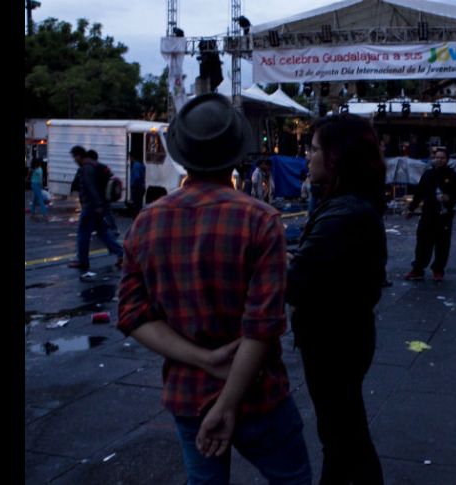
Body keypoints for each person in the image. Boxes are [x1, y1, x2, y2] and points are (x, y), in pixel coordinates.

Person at [117, 93, 311, 485]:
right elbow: (262, 327)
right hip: (259, 394)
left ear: (182, 154)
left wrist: (204, 360)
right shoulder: (260, 221)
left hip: (188, 394)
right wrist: (227, 404)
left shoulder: (146, 222)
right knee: (292, 479)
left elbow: (132, 314)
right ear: (237, 153)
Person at [287, 113, 386, 484]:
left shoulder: (345, 213)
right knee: (344, 432)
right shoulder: (348, 204)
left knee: (343, 436)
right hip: (344, 335)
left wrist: (270, 259)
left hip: (333, 341)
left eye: (314, 149)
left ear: (336, 157)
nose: (308, 156)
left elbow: (295, 283)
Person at [404, 148, 456, 282]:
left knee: (442, 245)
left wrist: (450, 198)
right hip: (427, 214)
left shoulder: (453, 176)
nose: (439, 160)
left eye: (442, 158)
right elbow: (419, 193)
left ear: (447, 160)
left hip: (444, 216)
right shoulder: (428, 174)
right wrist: (411, 209)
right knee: (422, 243)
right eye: (437, 157)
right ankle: (418, 269)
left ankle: (438, 270)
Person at [66, 146, 124, 277]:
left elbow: (91, 187)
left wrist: (97, 205)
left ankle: (83, 261)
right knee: (103, 233)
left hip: (91, 206)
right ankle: (121, 254)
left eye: (74, 157)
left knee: (83, 233)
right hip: (98, 205)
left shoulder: (87, 168)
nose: (74, 160)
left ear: (79, 155)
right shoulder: (94, 165)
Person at [28, 157, 47, 221]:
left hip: (35, 184)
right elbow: (40, 179)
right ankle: (44, 214)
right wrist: (41, 186)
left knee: (35, 199)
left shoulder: (35, 169)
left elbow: (30, 177)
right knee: (40, 199)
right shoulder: (38, 169)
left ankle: (32, 213)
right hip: (36, 185)